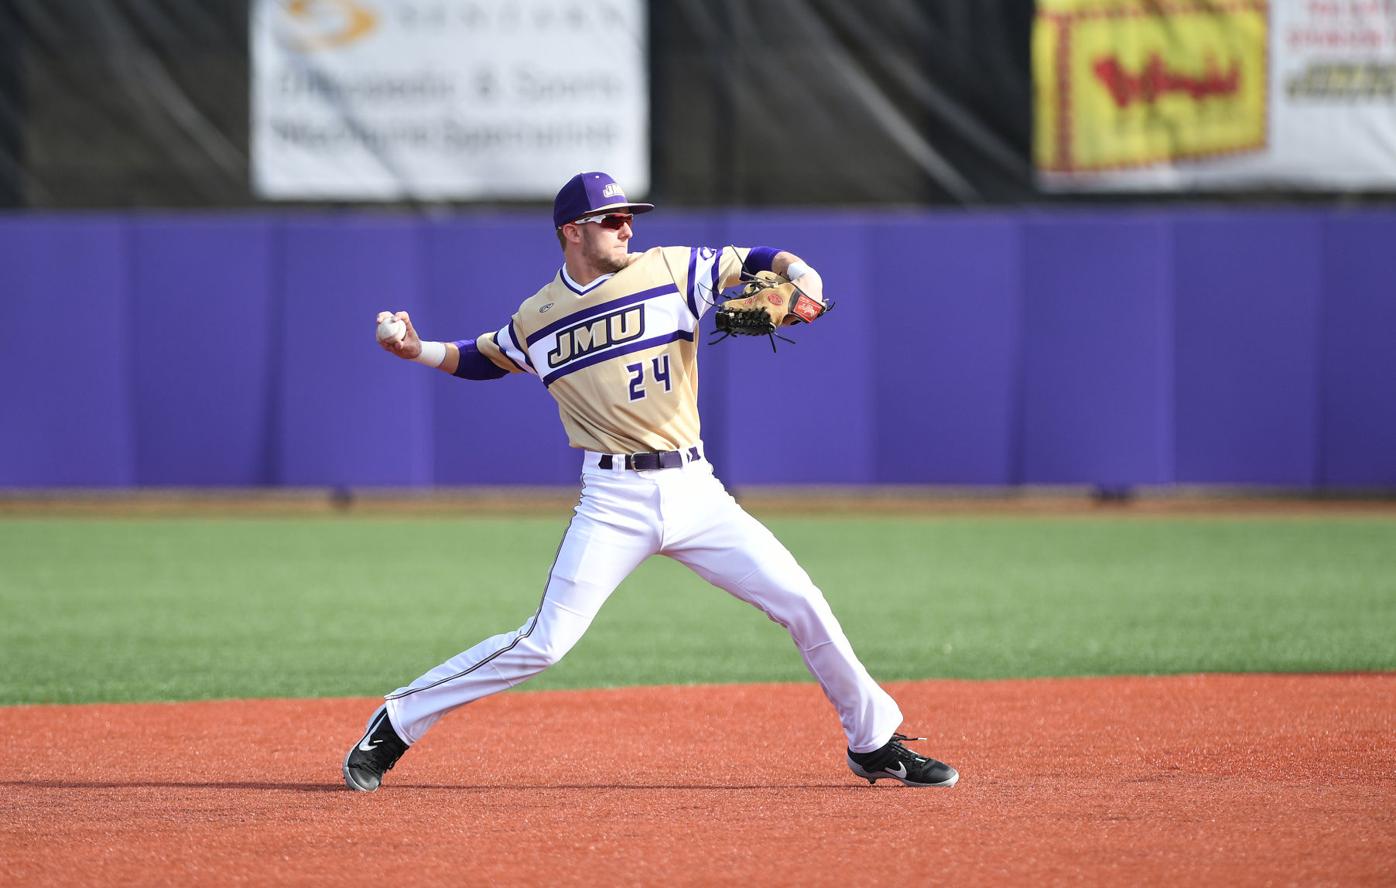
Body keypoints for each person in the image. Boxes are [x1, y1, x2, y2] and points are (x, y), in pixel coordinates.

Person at [343, 171, 958, 791]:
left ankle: (873, 743)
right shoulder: (539, 316)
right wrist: (418, 350)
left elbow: (759, 261)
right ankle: (395, 721)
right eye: (614, 219)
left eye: (630, 216)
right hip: (612, 500)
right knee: (545, 642)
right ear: (573, 232)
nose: (628, 226)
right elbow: (487, 357)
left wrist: (805, 279)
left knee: (802, 602)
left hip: (697, 490)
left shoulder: (670, 268)